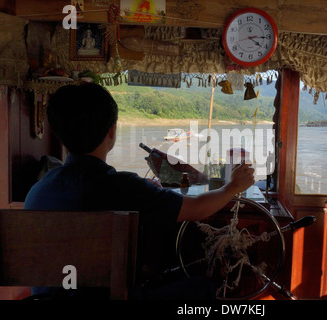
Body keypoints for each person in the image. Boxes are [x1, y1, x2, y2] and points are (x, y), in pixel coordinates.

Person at [24, 83, 255, 299]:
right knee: (201, 287)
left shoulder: (38, 191)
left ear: (58, 133)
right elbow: (196, 209)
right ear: (111, 132)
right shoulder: (124, 188)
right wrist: (233, 187)